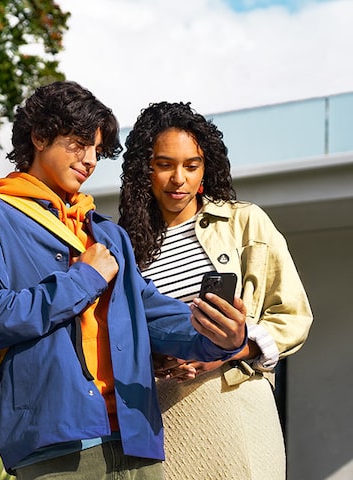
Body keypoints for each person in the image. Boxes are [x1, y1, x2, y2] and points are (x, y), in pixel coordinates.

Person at [0, 81, 247, 479]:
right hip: (54, 445)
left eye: (96, 150)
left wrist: (218, 335)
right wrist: (85, 277)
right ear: (39, 137)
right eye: (78, 144)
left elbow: (153, 316)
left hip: (136, 437)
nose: (90, 160)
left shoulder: (108, 235)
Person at [117, 101, 314, 479]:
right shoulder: (124, 246)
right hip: (162, 419)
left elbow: (293, 316)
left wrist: (227, 350)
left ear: (206, 168)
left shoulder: (245, 222)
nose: (179, 179)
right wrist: (152, 357)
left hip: (234, 403)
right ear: (145, 170)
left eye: (192, 166)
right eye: (164, 165)